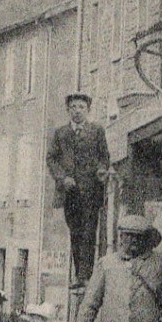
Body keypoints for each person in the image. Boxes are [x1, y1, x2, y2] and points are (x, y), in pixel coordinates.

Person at [46, 93, 110, 286]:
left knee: (89, 231)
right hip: (70, 193)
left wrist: (101, 169)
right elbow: (51, 159)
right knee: (75, 232)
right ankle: (78, 273)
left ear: (87, 110)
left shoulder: (97, 131)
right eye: (73, 107)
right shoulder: (61, 133)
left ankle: (86, 275)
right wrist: (62, 178)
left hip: (91, 192)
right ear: (68, 110)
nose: (77, 110)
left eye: (81, 107)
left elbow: (104, 157)